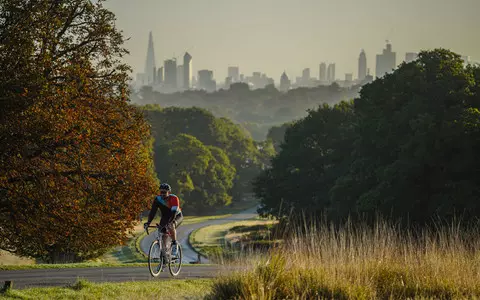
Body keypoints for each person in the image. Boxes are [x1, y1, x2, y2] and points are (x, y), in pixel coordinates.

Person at [144, 183, 183, 256]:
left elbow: (173, 213)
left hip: (176, 216)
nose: (162, 194)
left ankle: (174, 244)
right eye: (161, 192)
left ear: (169, 192)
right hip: (165, 217)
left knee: (171, 225)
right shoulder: (157, 199)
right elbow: (152, 212)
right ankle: (165, 255)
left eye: (164, 192)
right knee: (163, 233)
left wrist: (169, 223)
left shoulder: (174, 198)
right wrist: (148, 223)